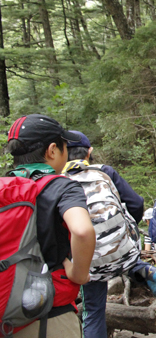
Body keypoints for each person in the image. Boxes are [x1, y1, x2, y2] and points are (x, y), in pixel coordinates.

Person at [5, 114, 96, 338]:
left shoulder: (5, 191)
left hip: (6, 313)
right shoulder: (61, 186)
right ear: (53, 150)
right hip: (50, 315)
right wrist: (79, 274)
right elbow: (82, 230)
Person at [63, 130, 145, 338]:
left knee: (93, 311)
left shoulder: (58, 181)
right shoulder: (105, 172)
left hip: (82, 261)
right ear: (89, 152)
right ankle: (141, 269)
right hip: (119, 251)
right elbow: (136, 203)